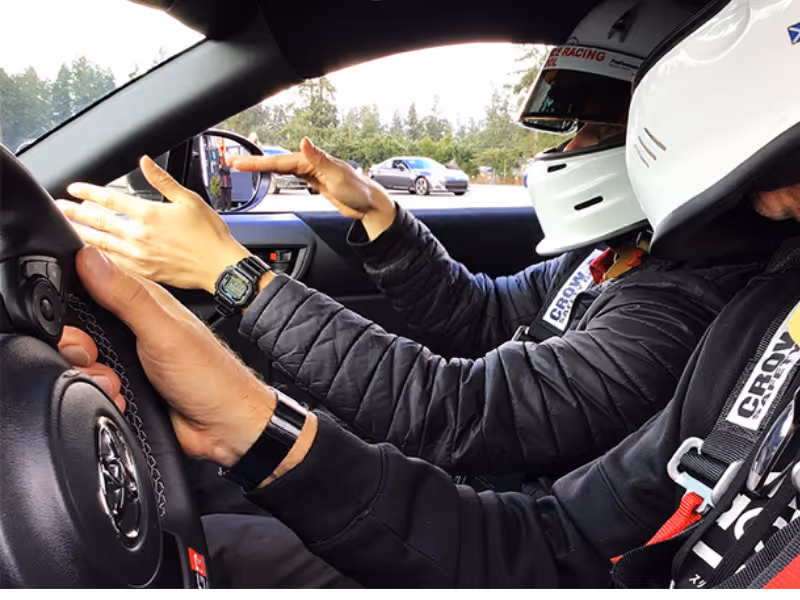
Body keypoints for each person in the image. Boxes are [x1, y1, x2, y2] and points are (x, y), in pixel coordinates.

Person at [60, 0, 800, 587]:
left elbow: (464, 411)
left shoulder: (690, 315)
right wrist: (381, 216)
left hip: (488, 504)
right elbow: (486, 316)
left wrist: (237, 277)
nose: (565, 148)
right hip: (492, 517)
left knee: (208, 545)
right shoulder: (628, 261)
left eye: (587, 126)